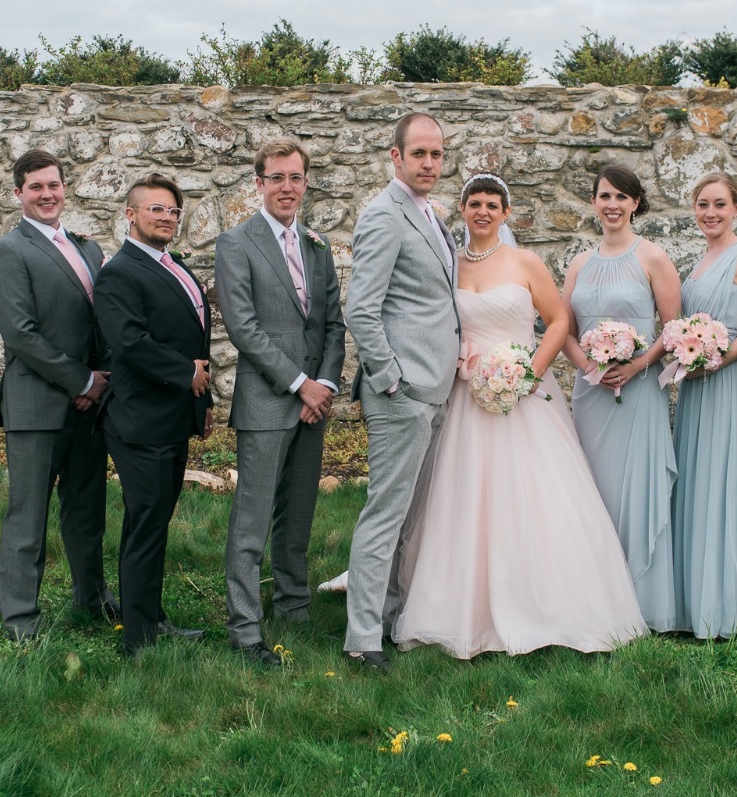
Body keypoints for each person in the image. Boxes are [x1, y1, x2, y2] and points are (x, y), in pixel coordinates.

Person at [391, 173, 646, 658]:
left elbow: (558, 321)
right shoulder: (450, 266)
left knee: (537, 495)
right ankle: (462, 610)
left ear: (506, 213)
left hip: (526, 393)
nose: (482, 212)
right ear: (462, 211)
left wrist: (527, 373)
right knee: (463, 499)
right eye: (474, 204)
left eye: (492, 204)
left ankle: (550, 604)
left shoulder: (525, 261)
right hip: (469, 396)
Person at [214, 138, 347, 667]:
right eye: (276, 178)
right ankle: (245, 628)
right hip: (269, 402)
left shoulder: (318, 245)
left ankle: (293, 604)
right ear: (259, 183)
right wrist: (299, 384)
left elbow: (333, 322)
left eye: (295, 177)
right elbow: (243, 328)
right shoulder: (236, 243)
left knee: (299, 515)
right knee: (251, 520)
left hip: (315, 403)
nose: (287, 187)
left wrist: (327, 386)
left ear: (305, 182)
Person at [341, 113, 463, 671]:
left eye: (437, 154)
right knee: (385, 514)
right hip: (403, 392)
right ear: (396, 157)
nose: (430, 164)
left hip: (433, 387)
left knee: (410, 514)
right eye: (419, 154)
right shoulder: (384, 216)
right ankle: (363, 638)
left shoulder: (430, 214)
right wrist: (394, 380)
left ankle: (389, 615)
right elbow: (361, 310)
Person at [0, 148, 115, 642]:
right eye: (35, 187)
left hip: (90, 407)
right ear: (18, 194)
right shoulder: (8, 251)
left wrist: (100, 379)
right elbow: (20, 334)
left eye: (53, 185)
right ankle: (20, 619)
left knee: (87, 509)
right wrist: (80, 381)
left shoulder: (89, 249)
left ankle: (92, 597)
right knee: (28, 514)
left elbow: (103, 322)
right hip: (38, 405)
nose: (46, 194)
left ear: (65, 189)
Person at [94, 172, 212, 655]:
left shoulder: (170, 264)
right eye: (156, 209)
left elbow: (192, 334)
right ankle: (137, 639)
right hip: (139, 420)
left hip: (171, 416)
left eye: (172, 211)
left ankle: (151, 615)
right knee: (145, 524)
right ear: (131, 214)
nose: (166, 217)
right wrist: (186, 374)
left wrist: (198, 402)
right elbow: (129, 341)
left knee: (157, 520)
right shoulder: (119, 272)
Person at [561, 164, 681, 631]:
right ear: (593, 202)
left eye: (621, 197)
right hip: (591, 396)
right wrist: (589, 368)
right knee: (592, 490)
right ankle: (595, 599)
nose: (612, 204)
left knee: (634, 489)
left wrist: (636, 365)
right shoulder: (579, 262)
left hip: (639, 393)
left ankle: (642, 602)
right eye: (604, 195)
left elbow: (673, 329)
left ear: (635, 203)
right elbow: (564, 329)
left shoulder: (653, 257)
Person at [670, 173, 737, 638]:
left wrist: (717, 360)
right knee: (698, 481)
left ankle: (727, 602)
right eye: (702, 205)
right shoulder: (698, 261)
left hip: (729, 383)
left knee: (725, 482)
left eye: (719, 205)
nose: (710, 213)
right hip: (695, 386)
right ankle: (696, 599)